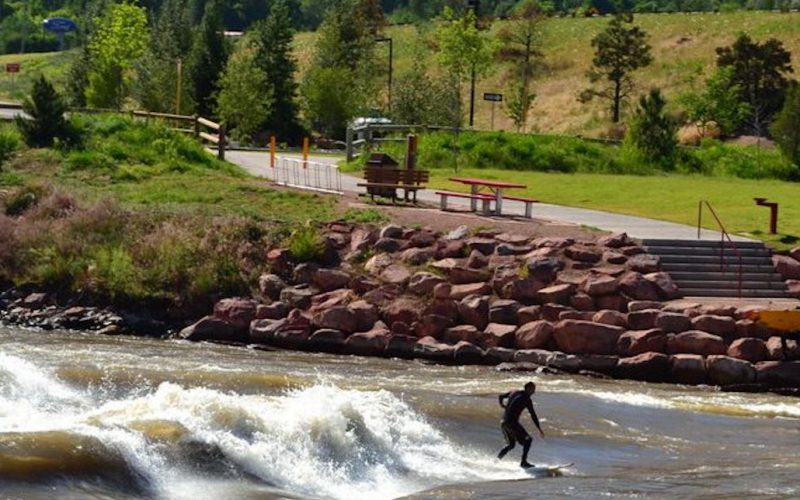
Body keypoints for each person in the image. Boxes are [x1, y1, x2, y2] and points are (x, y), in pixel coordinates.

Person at [497, 381, 544, 468]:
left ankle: (497, 460)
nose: (534, 392)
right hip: (512, 423)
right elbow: (533, 414)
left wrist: (502, 405)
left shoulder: (514, 392)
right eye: (533, 389)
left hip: (504, 422)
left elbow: (501, 396)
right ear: (528, 389)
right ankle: (523, 462)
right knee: (528, 440)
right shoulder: (527, 399)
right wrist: (539, 428)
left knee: (511, 445)